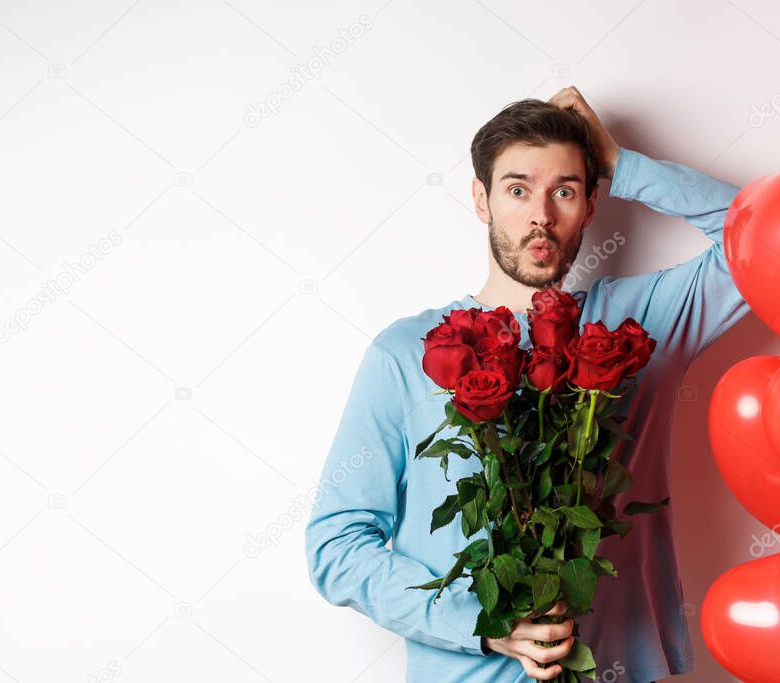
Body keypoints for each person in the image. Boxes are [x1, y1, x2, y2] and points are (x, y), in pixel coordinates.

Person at [305, 86, 749, 682]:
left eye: (563, 191)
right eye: (517, 189)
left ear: (592, 205)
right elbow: (336, 545)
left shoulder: (642, 327)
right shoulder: (407, 354)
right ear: (482, 200)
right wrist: (478, 623)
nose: (541, 215)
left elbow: (765, 235)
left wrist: (621, 163)